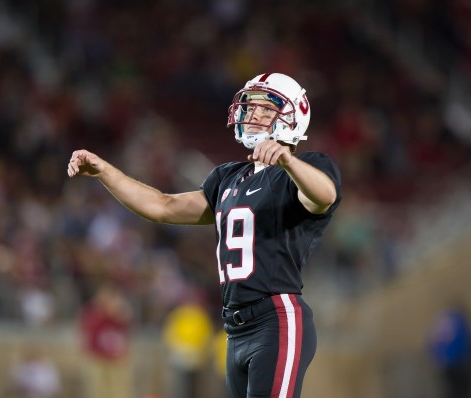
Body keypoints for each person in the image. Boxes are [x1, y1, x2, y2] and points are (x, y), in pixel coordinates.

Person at [67, 72, 342, 398]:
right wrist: (105, 172)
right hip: (235, 327)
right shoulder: (228, 178)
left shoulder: (306, 169)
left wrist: (287, 161)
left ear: (292, 117)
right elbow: (162, 206)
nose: (252, 115)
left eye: (265, 108)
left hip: (277, 319)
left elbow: (323, 195)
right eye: (249, 107)